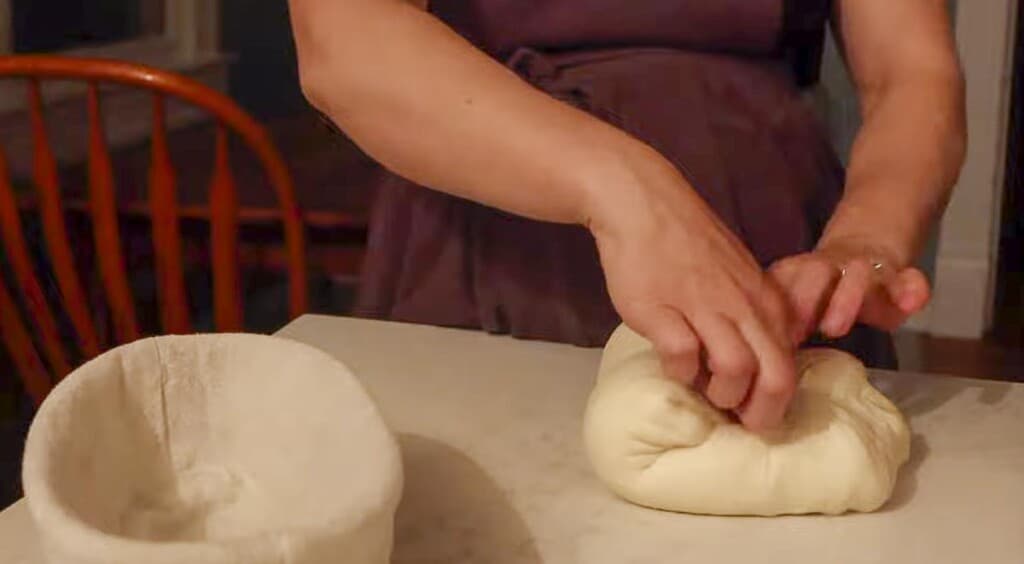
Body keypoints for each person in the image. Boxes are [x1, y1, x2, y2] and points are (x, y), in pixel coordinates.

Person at [287, 0, 966, 430]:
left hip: (772, 244)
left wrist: (868, 232)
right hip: (482, 233)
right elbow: (344, 37)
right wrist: (630, 194)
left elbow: (912, 72)